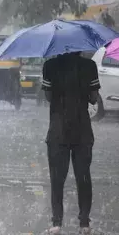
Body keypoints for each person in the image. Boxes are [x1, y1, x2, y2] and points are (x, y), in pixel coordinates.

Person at [41, 52, 100, 235]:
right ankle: (84, 223)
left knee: (57, 179)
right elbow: (93, 97)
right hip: (82, 129)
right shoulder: (89, 66)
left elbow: (49, 97)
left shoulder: (50, 66)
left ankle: (57, 223)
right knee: (83, 177)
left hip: (58, 130)